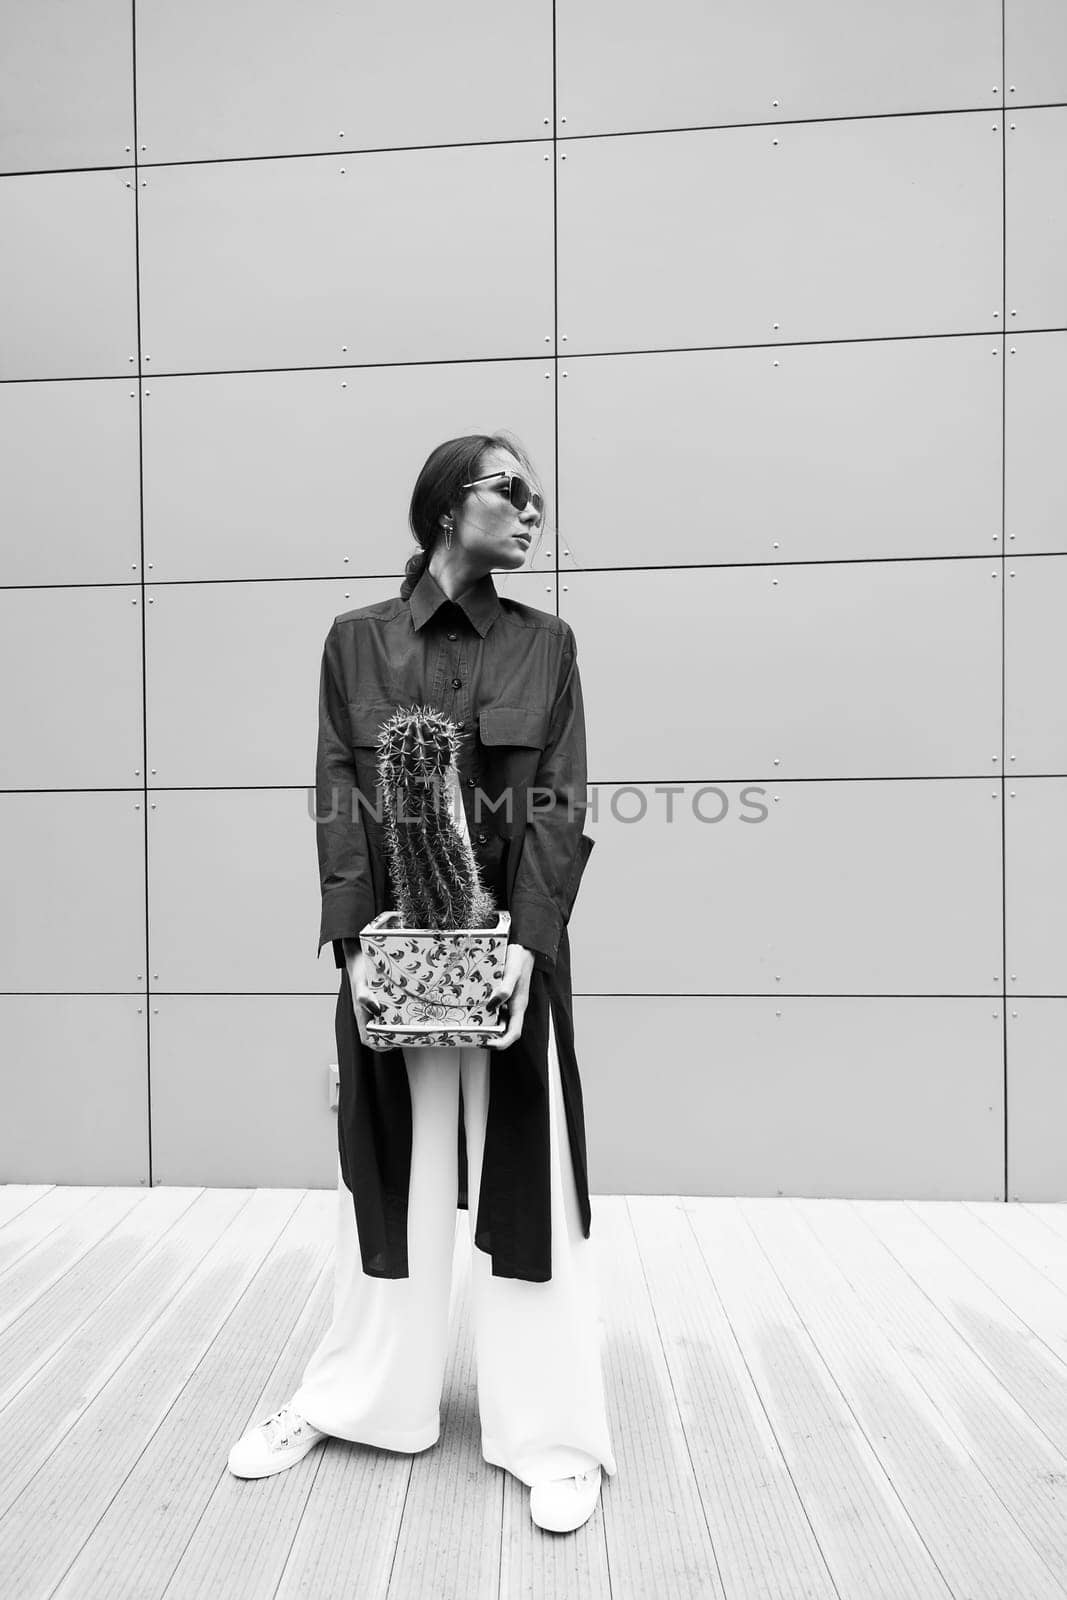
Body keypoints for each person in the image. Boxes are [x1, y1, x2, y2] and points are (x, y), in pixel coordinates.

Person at [228, 431, 616, 1534]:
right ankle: (363, 1401)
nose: (533, 511)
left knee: (528, 1186)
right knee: (389, 1184)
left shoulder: (547, 645)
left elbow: (558, 800)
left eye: (536, 498)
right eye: (512, 492)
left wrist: (523, 946)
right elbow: (337, 789)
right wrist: (354, 948)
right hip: (389, 959)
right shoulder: (355, 642)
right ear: (449, 505)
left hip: (509, 957)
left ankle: (549, 1433)